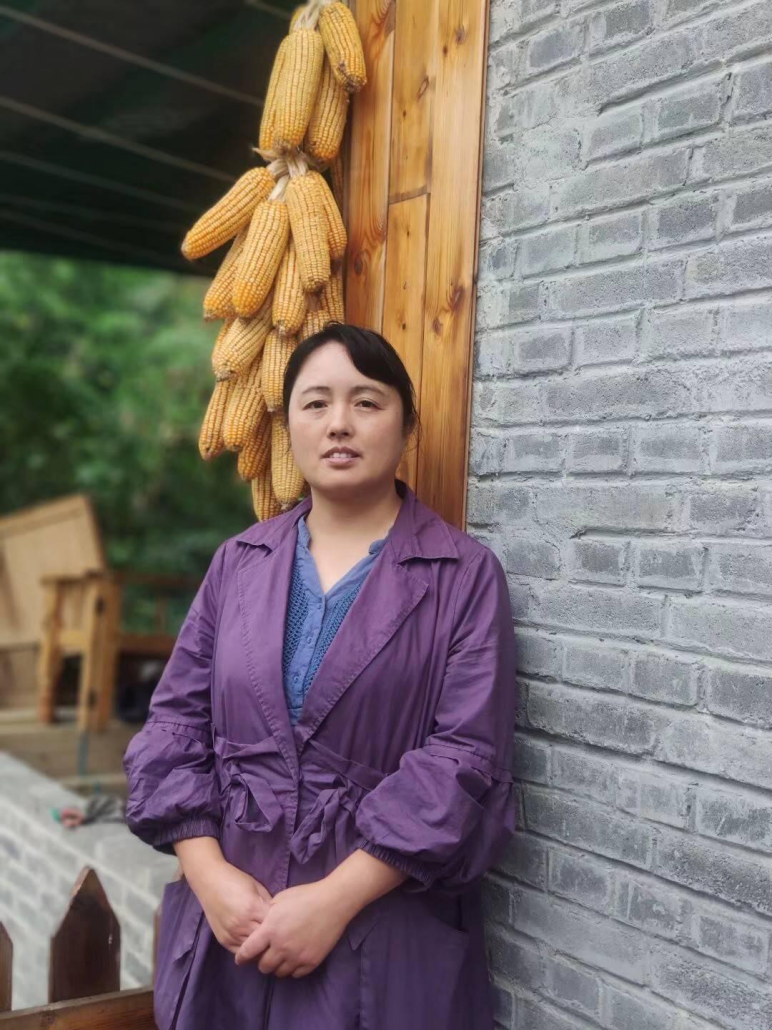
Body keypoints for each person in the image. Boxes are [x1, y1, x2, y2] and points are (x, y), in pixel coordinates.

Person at [123, 323, 518, 1030]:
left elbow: (464, 760)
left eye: (366, 402)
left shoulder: (463, 577)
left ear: (407, 427)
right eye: (316, 403)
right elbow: (174, 726)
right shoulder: (238, 563)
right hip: (233, 926)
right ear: (289, 429)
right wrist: (210, 878)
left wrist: (334, 901)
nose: (339, 423)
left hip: (381, 931)